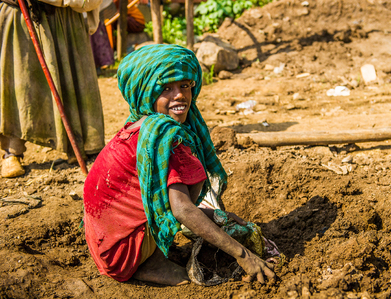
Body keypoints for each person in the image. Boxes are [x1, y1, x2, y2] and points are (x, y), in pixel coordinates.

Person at [83, 44, 275, 285]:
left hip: (105, 240)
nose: (180, 96)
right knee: (188, 182)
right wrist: (243, 255)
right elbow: (181, 209)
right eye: (166, 88)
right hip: (122, 253)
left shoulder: (139, 126)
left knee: (186, 180)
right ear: (147, 93)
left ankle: (149, 250)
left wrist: (216, 216)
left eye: (185, 85)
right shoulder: (166, 138)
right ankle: (147, 262)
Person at [0, 0, 105, 178]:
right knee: (21, 83)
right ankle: (12, 150)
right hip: (21, 12)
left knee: (78, 80)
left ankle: (85, 145)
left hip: (68, 14)